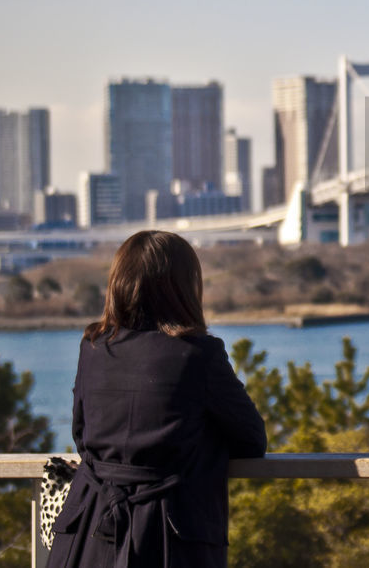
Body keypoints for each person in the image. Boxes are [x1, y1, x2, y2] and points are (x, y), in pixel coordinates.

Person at [47, 230, 267, 568]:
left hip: (89, 533)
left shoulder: (93, 347)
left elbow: (82, 435)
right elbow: (251, 440)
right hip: (169, 537)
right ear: (184, 287)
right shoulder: (198, 354)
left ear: (118, 283)